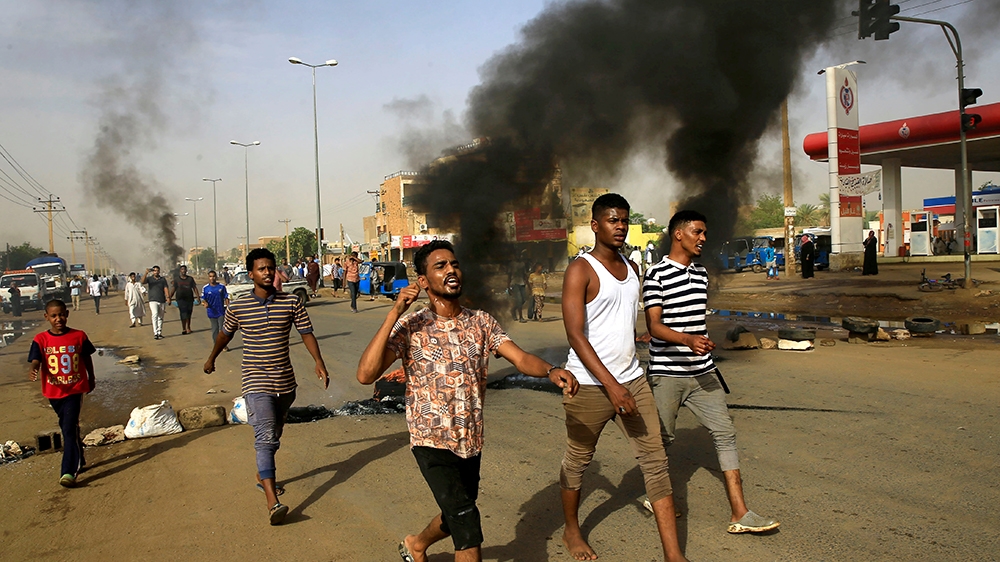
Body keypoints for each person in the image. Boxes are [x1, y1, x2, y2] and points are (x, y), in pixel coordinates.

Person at [357, 240, 578, 562]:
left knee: (458, 512)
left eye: (454, 264)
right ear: (423, 281)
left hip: (470, 439)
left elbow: (519, 358)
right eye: (441, 266)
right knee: (467, 522)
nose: (451, 270)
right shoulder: (412, 326)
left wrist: (550, 370)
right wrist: (395, 312)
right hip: (430, 440)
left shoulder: (481, 322)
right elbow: (366, 374)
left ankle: (416, 544)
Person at [560, 193, 687, 562]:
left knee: (656, 462)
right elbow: (575, 335)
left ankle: (673, 555)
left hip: (632, 380)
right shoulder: (580, 269)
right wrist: (612, 386)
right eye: (612, 220)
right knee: (578, 461)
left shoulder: (632, 268)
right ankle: (571, 529)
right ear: (595, 225)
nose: (620, 227)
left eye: (624, 221)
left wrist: (636, 344)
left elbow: (619, 321)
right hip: (588, 384)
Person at [644, 210, 780, 536]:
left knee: (725, 434)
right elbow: (654, 326)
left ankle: (740, 512)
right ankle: (657, 496)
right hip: (667, 373)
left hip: (703, 372)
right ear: (678, 234)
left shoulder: (701, 274)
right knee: (663, 440)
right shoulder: (656, 275)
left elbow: (695, 321)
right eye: (698, 232)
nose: (703, 238)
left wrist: (701, 341)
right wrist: (688, 340)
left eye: (705, 232)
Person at [203, 248, 328, 526]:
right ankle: (273, 502)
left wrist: (318, 362)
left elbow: (306, 333)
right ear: (251, 274)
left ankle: (263, 473)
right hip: (255, 380)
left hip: (285, 383)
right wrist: (212, 358)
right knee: (265, 436)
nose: (268, 273)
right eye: (262, 269)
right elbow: (225, 334)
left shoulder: (291, 302)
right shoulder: (238, 307)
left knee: (275, 432)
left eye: (271, 268)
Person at [27, 299, 96, 488]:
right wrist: (34, 368)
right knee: (67, 425)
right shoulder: (41, 339)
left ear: (67, 314)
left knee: (68, 428)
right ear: (47, 317)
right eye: (54, 316)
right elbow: (35, 359)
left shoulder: (79, 336)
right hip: (54, 392)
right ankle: (79, 455)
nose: (58, 319)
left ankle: (68, 471)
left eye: (62, 315)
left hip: (74, 389)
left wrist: (91, 377)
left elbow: (86, 357)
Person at [202, 270, 230, 349]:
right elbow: (203, 299)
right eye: (210, 276)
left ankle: (224, 345)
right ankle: (216, 345)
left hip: (221, 311)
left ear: (216, 277)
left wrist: (229, 308)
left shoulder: (221, 287)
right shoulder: (206, 288)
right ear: (208, 277)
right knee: (215, 329)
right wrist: (205, 303)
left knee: (222, 329)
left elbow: (226, 297)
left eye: (213, 276)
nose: (212, 278)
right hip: (211, 312)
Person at [142, 266, 170, 340]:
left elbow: (165, 288)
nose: (156, 272)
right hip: (153, 300)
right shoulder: (150, 279)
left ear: (159, 271)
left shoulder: (162, 279)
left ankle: (159, 332)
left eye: (157, 271)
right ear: (153, 272)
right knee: (155, 315)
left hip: (162, 300)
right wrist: (146, 273)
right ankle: (155, 333)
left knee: (161, 317)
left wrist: (168, 297)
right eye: (154, 271)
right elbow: (142, 282)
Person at [169, 265, 198, 335]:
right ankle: (184, 328)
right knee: (183, 313)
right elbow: (173, 289)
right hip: (180, 299)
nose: (183, 271)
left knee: (189, 314)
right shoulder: (177, 280)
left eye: (184, 269)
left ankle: (188, 327)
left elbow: (194, 288)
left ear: (186, 270)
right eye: (182, 269)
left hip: (189, 299)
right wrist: (169, 297)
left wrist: (198, 297)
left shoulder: (190, 279)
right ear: (180, 271)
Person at [507, 251, 528, 323]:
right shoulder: (511, 264)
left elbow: (524, 275)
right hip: (515, 283)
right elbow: (509, 276)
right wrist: (508, 287)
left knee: (524, 299)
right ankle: (521, 317)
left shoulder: (522, 264)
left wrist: (528, 285)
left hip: (522, 283)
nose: (518, 257)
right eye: (517, 255)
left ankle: (513, 310)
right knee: (519, 300)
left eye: (520, 255)